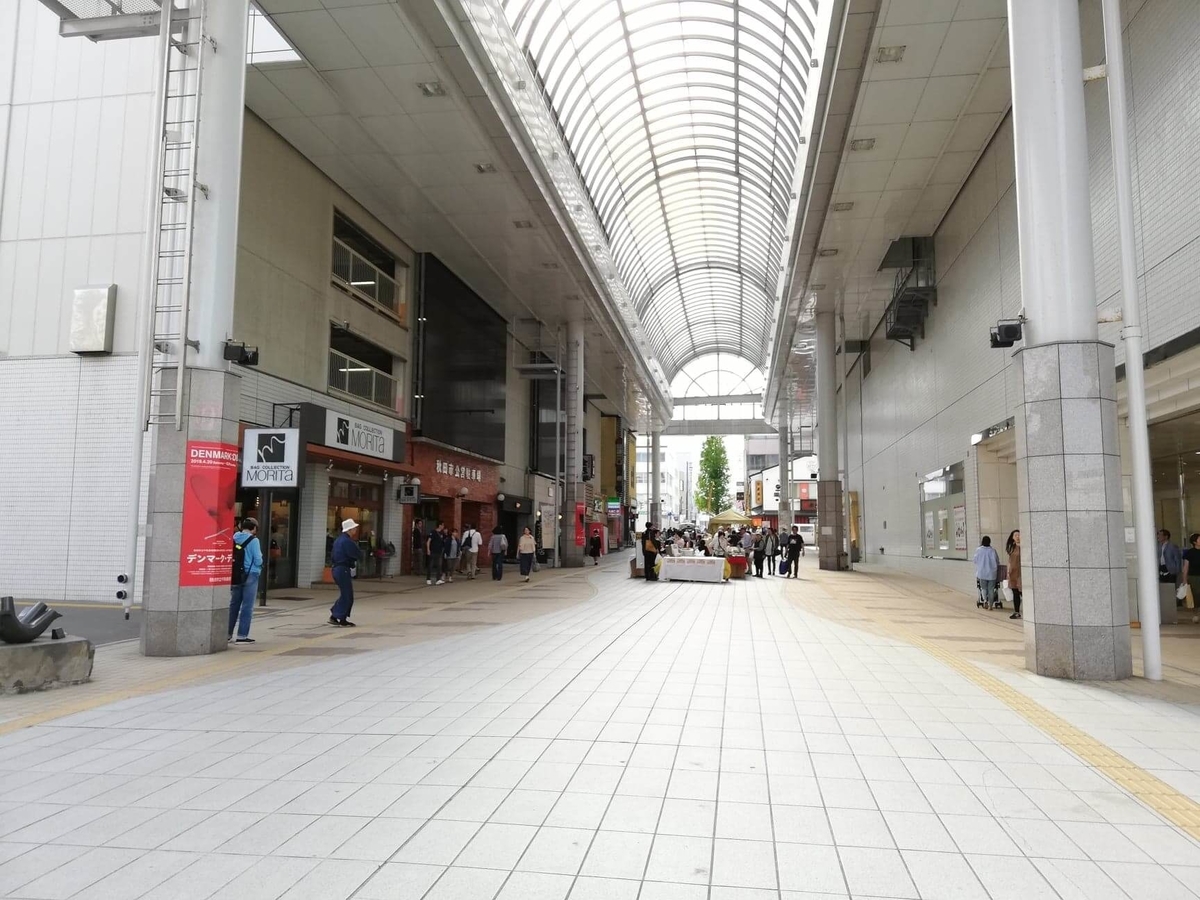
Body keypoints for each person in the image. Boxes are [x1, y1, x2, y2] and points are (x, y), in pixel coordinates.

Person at [228, 517, 263, 644]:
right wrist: (259, 566)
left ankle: (227, 633)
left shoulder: (234, 537)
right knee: (247, 606)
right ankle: (242, 636)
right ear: (253, 528)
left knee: (234, 604)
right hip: (251, 574)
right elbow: (258, 558)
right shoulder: (254, 541)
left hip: (237, 574)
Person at [329, 518, 361, 627]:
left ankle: (337, 615)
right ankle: (339, 616)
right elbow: (356, 554)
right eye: (354, 528)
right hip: (343, 569)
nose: (356, 530)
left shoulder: (338, 540)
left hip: (336, 569)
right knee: (347, 595)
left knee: (345, 594)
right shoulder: (347, 541)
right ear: (350, 529)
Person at [973, 535, 1001, 610]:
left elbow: (975, 560)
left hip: (982, 573)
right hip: (992, 573)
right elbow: (997, 561)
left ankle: (985, 600)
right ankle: (990, 605)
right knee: (991, 589)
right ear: (990, 542)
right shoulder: (993, 550)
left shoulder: (978, 550)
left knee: (983, 588)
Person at [1005, 530, 1022, 620]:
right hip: (1013, 573)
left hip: (1022, 573)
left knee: (1022, 592)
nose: (1018, 536)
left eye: (1019, 535)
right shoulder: (1012, 547)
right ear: (1012, 537)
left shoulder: (1025, 547)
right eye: (1015, 535)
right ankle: (1017, 612)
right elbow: (1009, 561)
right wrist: (1008, 572)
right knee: (1015, 592)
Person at [1182, 533, 1200, 613]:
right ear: (1194, 542)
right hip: (1194, 577)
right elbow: (1186, 567)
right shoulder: (1190, 553)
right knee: (1195, 596)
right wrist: (1184, 580)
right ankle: (1196, 613)